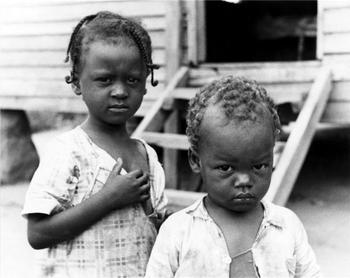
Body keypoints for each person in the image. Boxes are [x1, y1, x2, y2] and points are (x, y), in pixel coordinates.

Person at [21, 11, 167, 278]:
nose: (121, 91)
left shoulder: (148, 156)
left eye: (132, 79)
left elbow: (155, 231)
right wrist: (109, 198)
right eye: (105, 79)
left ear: (147, 83)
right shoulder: (68, 151)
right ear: (77, 82)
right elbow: (38, 233)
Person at [145, 76, 321, 278]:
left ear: (273, 158)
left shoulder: (287, 226)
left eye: (258, 166)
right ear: (195, 161)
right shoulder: (178, 232)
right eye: (226, 168)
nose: (244, 180)